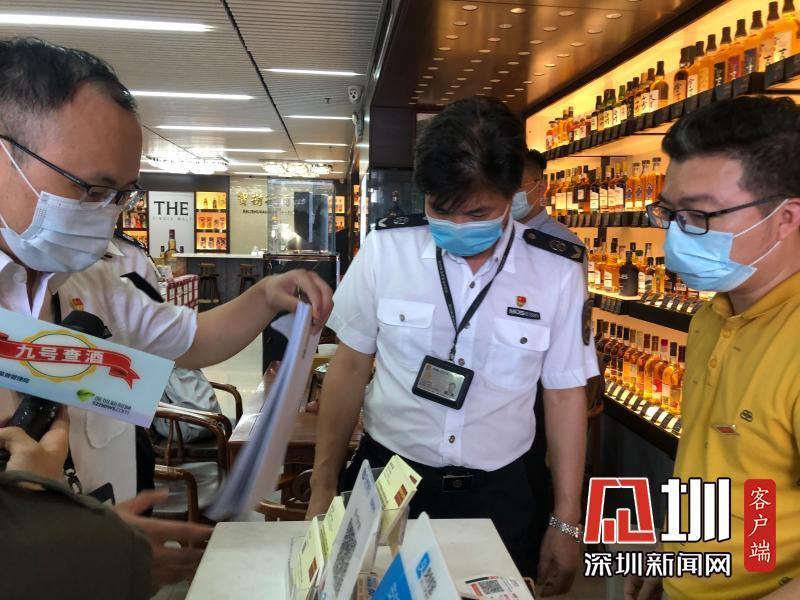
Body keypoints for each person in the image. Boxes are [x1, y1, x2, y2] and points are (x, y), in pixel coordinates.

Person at [0, 37, 332, 590]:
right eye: (90, 188)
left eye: (121, 195)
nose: (106, 215)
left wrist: (265, 296)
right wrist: (58, 540)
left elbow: (191, 340)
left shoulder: (91, 280)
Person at [308, 96, 598, 596]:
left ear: (512, 193)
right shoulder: (386, 249)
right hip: (389, 482)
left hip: (501, 493)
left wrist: (567, 520)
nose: (458, 226)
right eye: (442, 210)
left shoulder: (556, 267)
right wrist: (322, 486)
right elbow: (350, 366)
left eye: (478, 212)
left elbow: (564, 393)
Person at [625, 96, 800, 599]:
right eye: (669, 213)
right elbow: (716, 461)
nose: (676, 235)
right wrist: (672, 545)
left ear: (786, 217)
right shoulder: (712, 316)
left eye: (699, 216)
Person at [511, 149, 583, 248]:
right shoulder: (497, 236)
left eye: (514, 187)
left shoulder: (564, 243)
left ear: (540, 188)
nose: (506, 195)